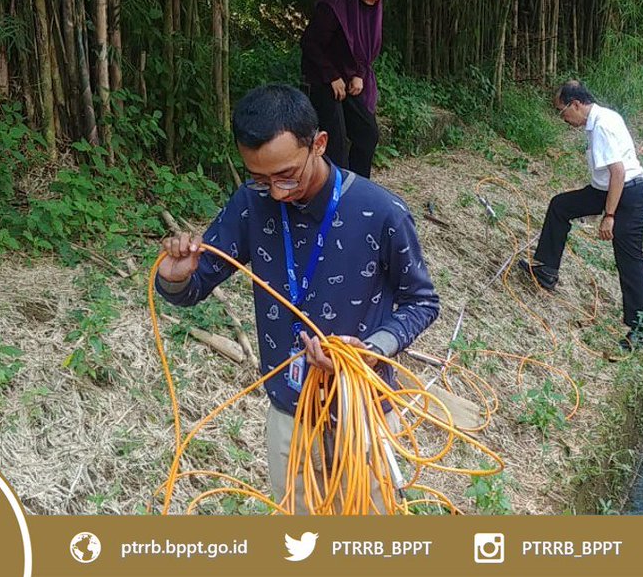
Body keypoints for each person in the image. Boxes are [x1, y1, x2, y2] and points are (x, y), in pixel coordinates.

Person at [156, 84, 439, 513]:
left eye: (287, 175)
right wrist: (176, 278)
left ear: (319, 144)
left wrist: (370, 350)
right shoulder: (251, 205)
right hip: (290, 414)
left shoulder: (380, 212)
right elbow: (194, 287)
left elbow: (422, 302)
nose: (276, 192)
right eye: (260, 178)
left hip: (362, 410)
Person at [517, 81, 643, 353]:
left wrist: (609, 215)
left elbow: (618, 173)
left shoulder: (601, 125)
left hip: (627, 194)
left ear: (576, 104)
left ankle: (639, 326)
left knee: (629, 260)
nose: (563, 118)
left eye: (562, 111)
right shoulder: (601, 119)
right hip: (606, 190)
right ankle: (546, 271)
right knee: (560, 206)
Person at [299, 0, 393, 179]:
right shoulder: (332, 7)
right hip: (321, 77)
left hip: (349, 78)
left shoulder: (370, 8)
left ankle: (357, 186)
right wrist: (331, 76)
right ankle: (334, 190)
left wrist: (359, 73)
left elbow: (364, 48)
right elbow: (310, 44)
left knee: (367, 134)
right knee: (336, 143)